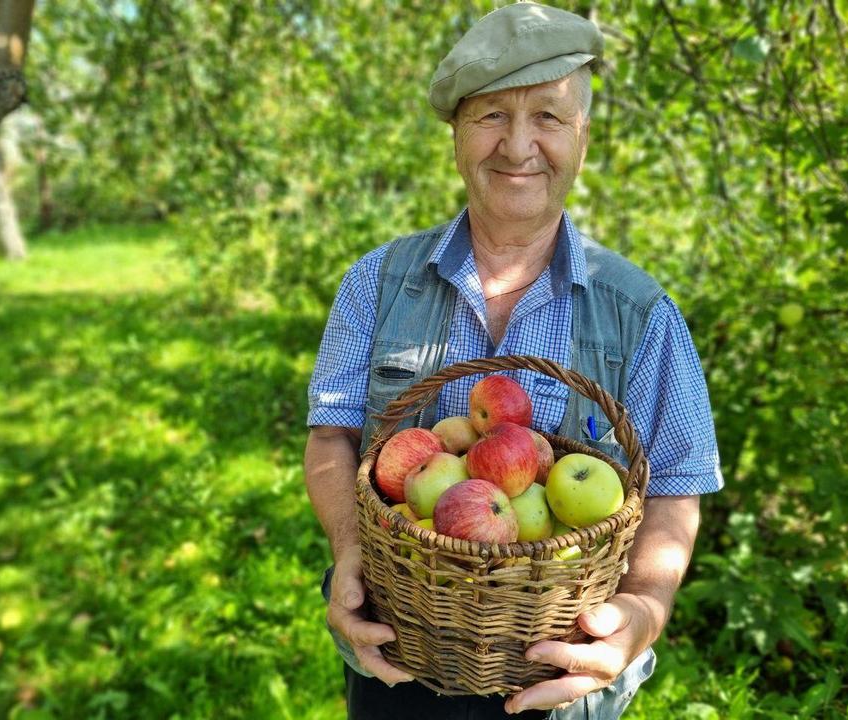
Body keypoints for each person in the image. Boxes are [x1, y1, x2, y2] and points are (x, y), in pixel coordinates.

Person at [304, 3, 723, 718]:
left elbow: (677, 489)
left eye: (550, 118)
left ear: (583, 139)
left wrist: (643, 613)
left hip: (563, 687)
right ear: (457, 134)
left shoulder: (640, 312)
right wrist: (350, 550)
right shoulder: (375, 283)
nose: (519, 145)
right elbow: (331, 438)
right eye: (492, 115)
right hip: (400, 666)